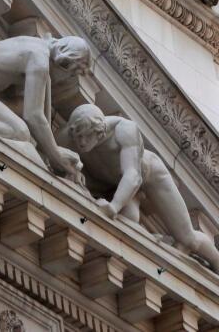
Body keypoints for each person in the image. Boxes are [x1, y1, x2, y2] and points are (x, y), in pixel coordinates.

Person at [60, 104, 219, 272]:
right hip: (112, 185)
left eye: (87, 136)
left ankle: (216, 260)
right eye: (78, 136)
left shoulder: (124, 130)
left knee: (187, 237)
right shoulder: (69, 135)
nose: (82, 142)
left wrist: (113, 206)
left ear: (99, 131)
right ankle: (156, 240)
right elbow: (51, 151)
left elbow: (133, 175)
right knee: (128, 223)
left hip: (148, 178)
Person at [0, 35, 92, 178]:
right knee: (19, 132)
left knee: (27, 137)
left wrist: (50, 151)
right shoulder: (39, 61)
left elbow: (39, 116)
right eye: (72, 74)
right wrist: (58, 157)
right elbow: (33, 116)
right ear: (65, 63)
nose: (67, 79)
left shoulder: (40, 48)